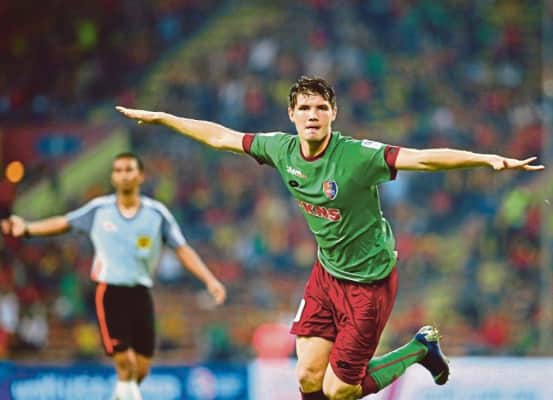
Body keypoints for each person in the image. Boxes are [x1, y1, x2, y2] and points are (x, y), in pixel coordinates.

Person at [115, 77, 543, 400]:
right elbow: (220, 137)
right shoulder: (281, 150)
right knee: (306, 378)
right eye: (304, 108)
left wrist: (485, 160)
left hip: (369, 284)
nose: (313, 115)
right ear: (291, 114)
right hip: (326, 275)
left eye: (321, 107)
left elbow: (423, 159)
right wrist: (164, 118)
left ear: (333, 113)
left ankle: (419, 348)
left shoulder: (356, 156)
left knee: (340, 390)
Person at [1, 152, 227, 400]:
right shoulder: (100, 210)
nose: (124, 175)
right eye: (118, 170)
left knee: (141, 369)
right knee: (125, 363)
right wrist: (27, 228)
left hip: (141, 293)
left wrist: (210, 280)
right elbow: (64, 223)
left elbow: (182, 249)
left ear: (141, 176)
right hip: (110, 292)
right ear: (113, 177)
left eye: (129, 170)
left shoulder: (157, 214)